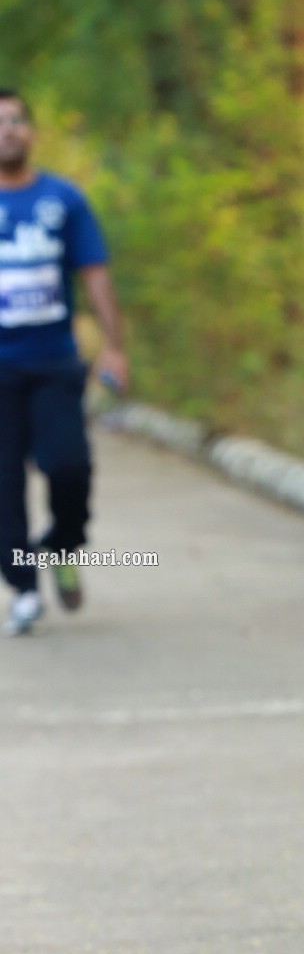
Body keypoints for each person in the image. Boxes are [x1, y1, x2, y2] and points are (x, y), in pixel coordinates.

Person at [0, 88, 129, 636]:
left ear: (31, 131)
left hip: (54, 364)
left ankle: (61, 546)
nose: (8, 129)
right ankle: (25, 589)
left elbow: (93, 273)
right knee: (4, 486)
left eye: (16, 120)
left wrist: (114, 346)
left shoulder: (64, 201)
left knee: (68, 467)